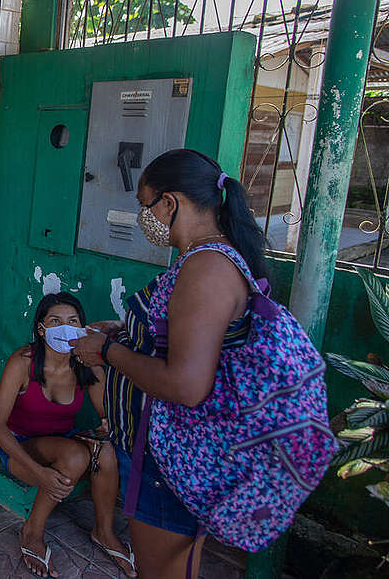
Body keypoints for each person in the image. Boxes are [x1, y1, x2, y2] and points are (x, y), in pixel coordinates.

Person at [71, 149, 267, 579]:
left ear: (170, 202)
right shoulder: (211, 259)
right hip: (174, 450)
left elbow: (185, 383)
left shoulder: (206, 269)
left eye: (145, 205)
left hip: (172, 457)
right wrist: (127, 330)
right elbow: (186, 339)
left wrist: (107, 353)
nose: (145, 217)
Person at [0, 293, 136, 578]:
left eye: (72, 321)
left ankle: (104, 533)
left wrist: (106, 423)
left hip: (64, 441)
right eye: (55, 321)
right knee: (76, 455)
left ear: (82, 327)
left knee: (105, 450)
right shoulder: (22, 362)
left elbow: (107, 414)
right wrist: (39, 473)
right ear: (42, 329)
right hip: (21, 448)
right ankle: (32, 531)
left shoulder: (84, 363)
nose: (64, 328)